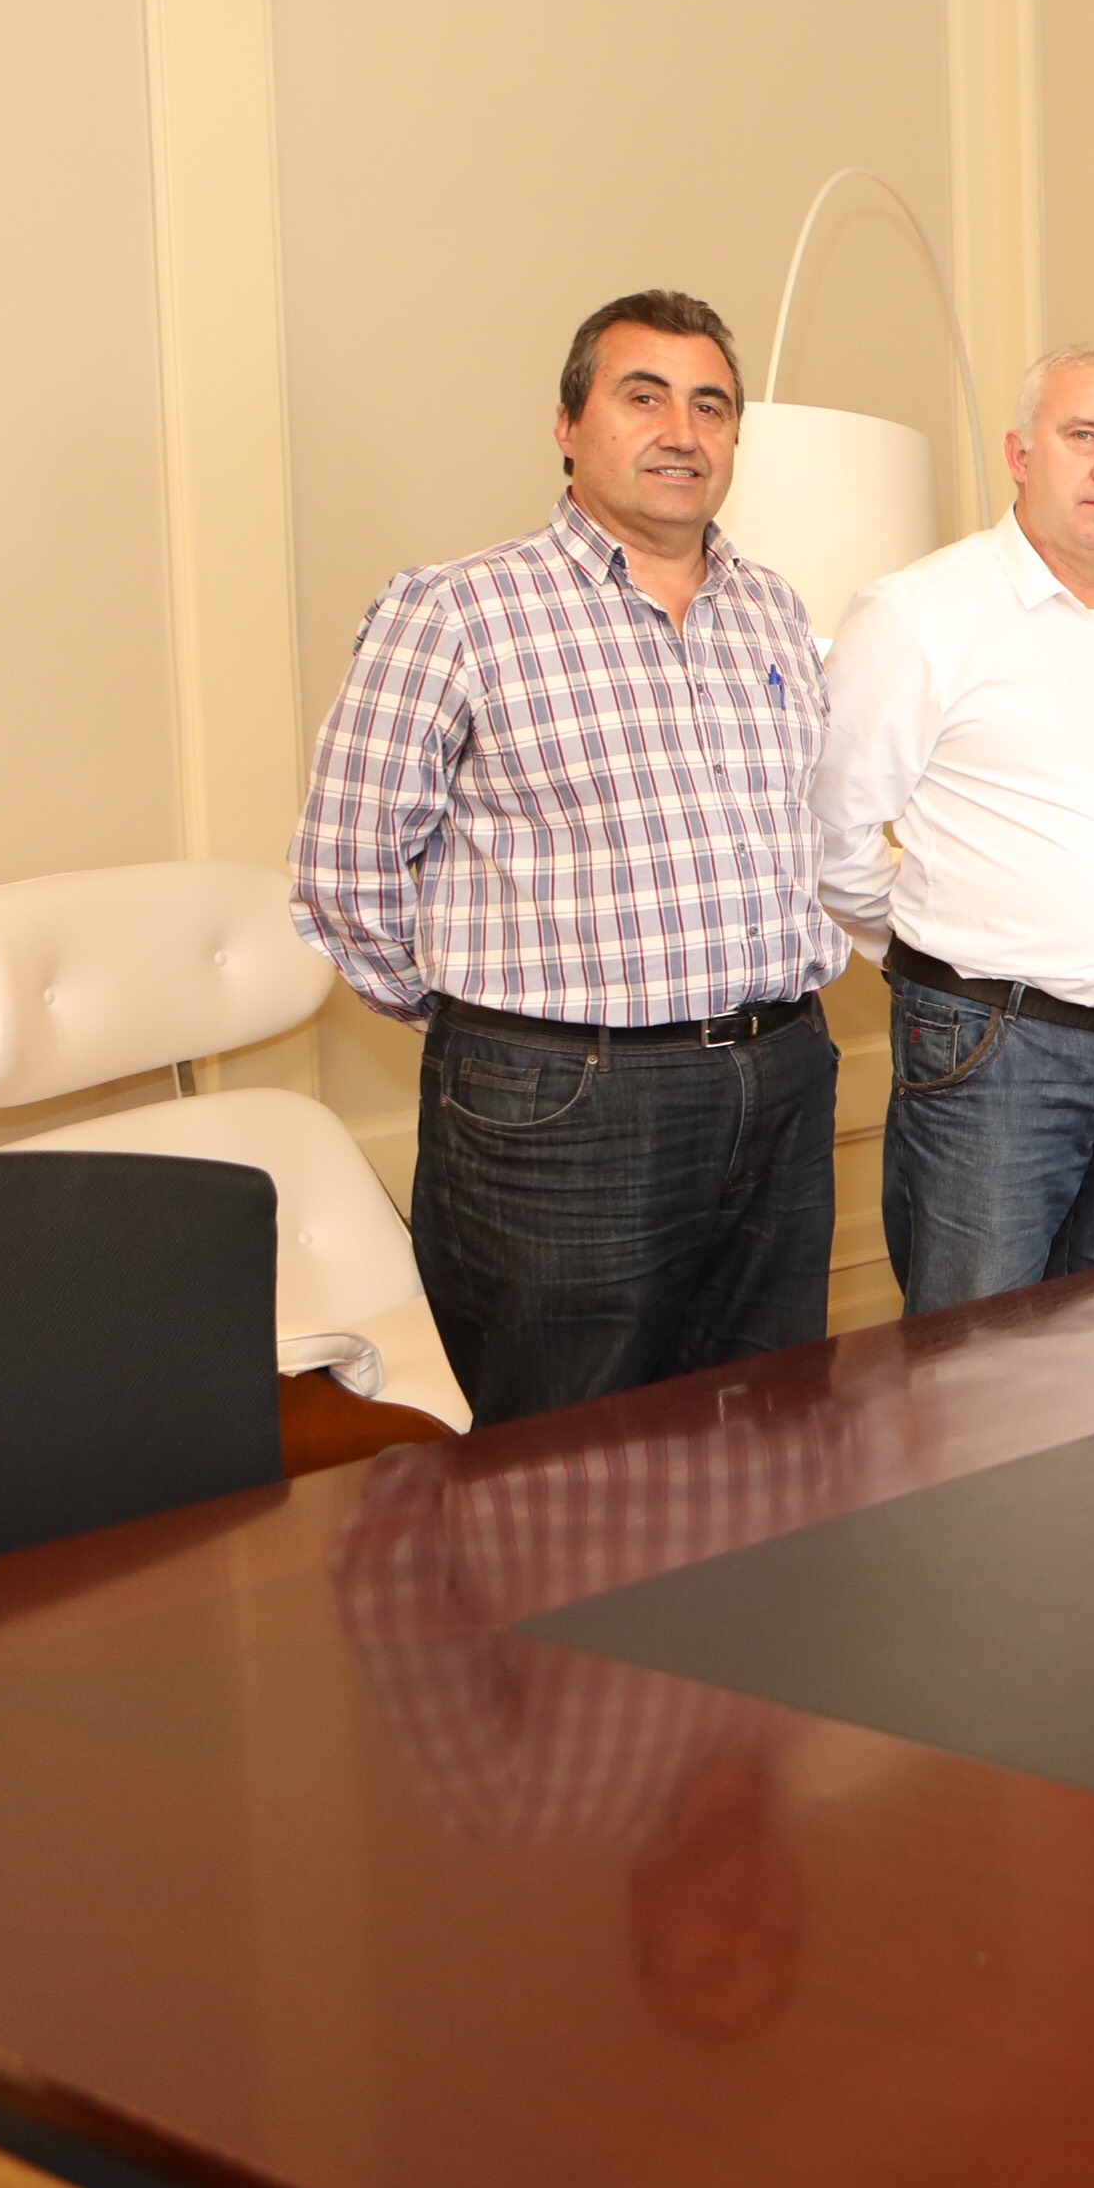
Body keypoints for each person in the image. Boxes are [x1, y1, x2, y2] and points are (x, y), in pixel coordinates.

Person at [290, 291, 843, 1425]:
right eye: (644, 398)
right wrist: (495, 1035)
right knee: (561, 1460)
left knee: (770, 1434)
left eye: (711, 407)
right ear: (567, 424)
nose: (681, 432)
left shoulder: (775, 611)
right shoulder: (457, 611)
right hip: (565, 1108)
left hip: (780, 1079)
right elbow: (344, 876)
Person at [815, 346, 1094, 1309]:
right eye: (1082, 436)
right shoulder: (919, 613)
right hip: (994, 1057)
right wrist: (942, 954)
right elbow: (832, 835)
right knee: (978, 1361)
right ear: (1019, 453)